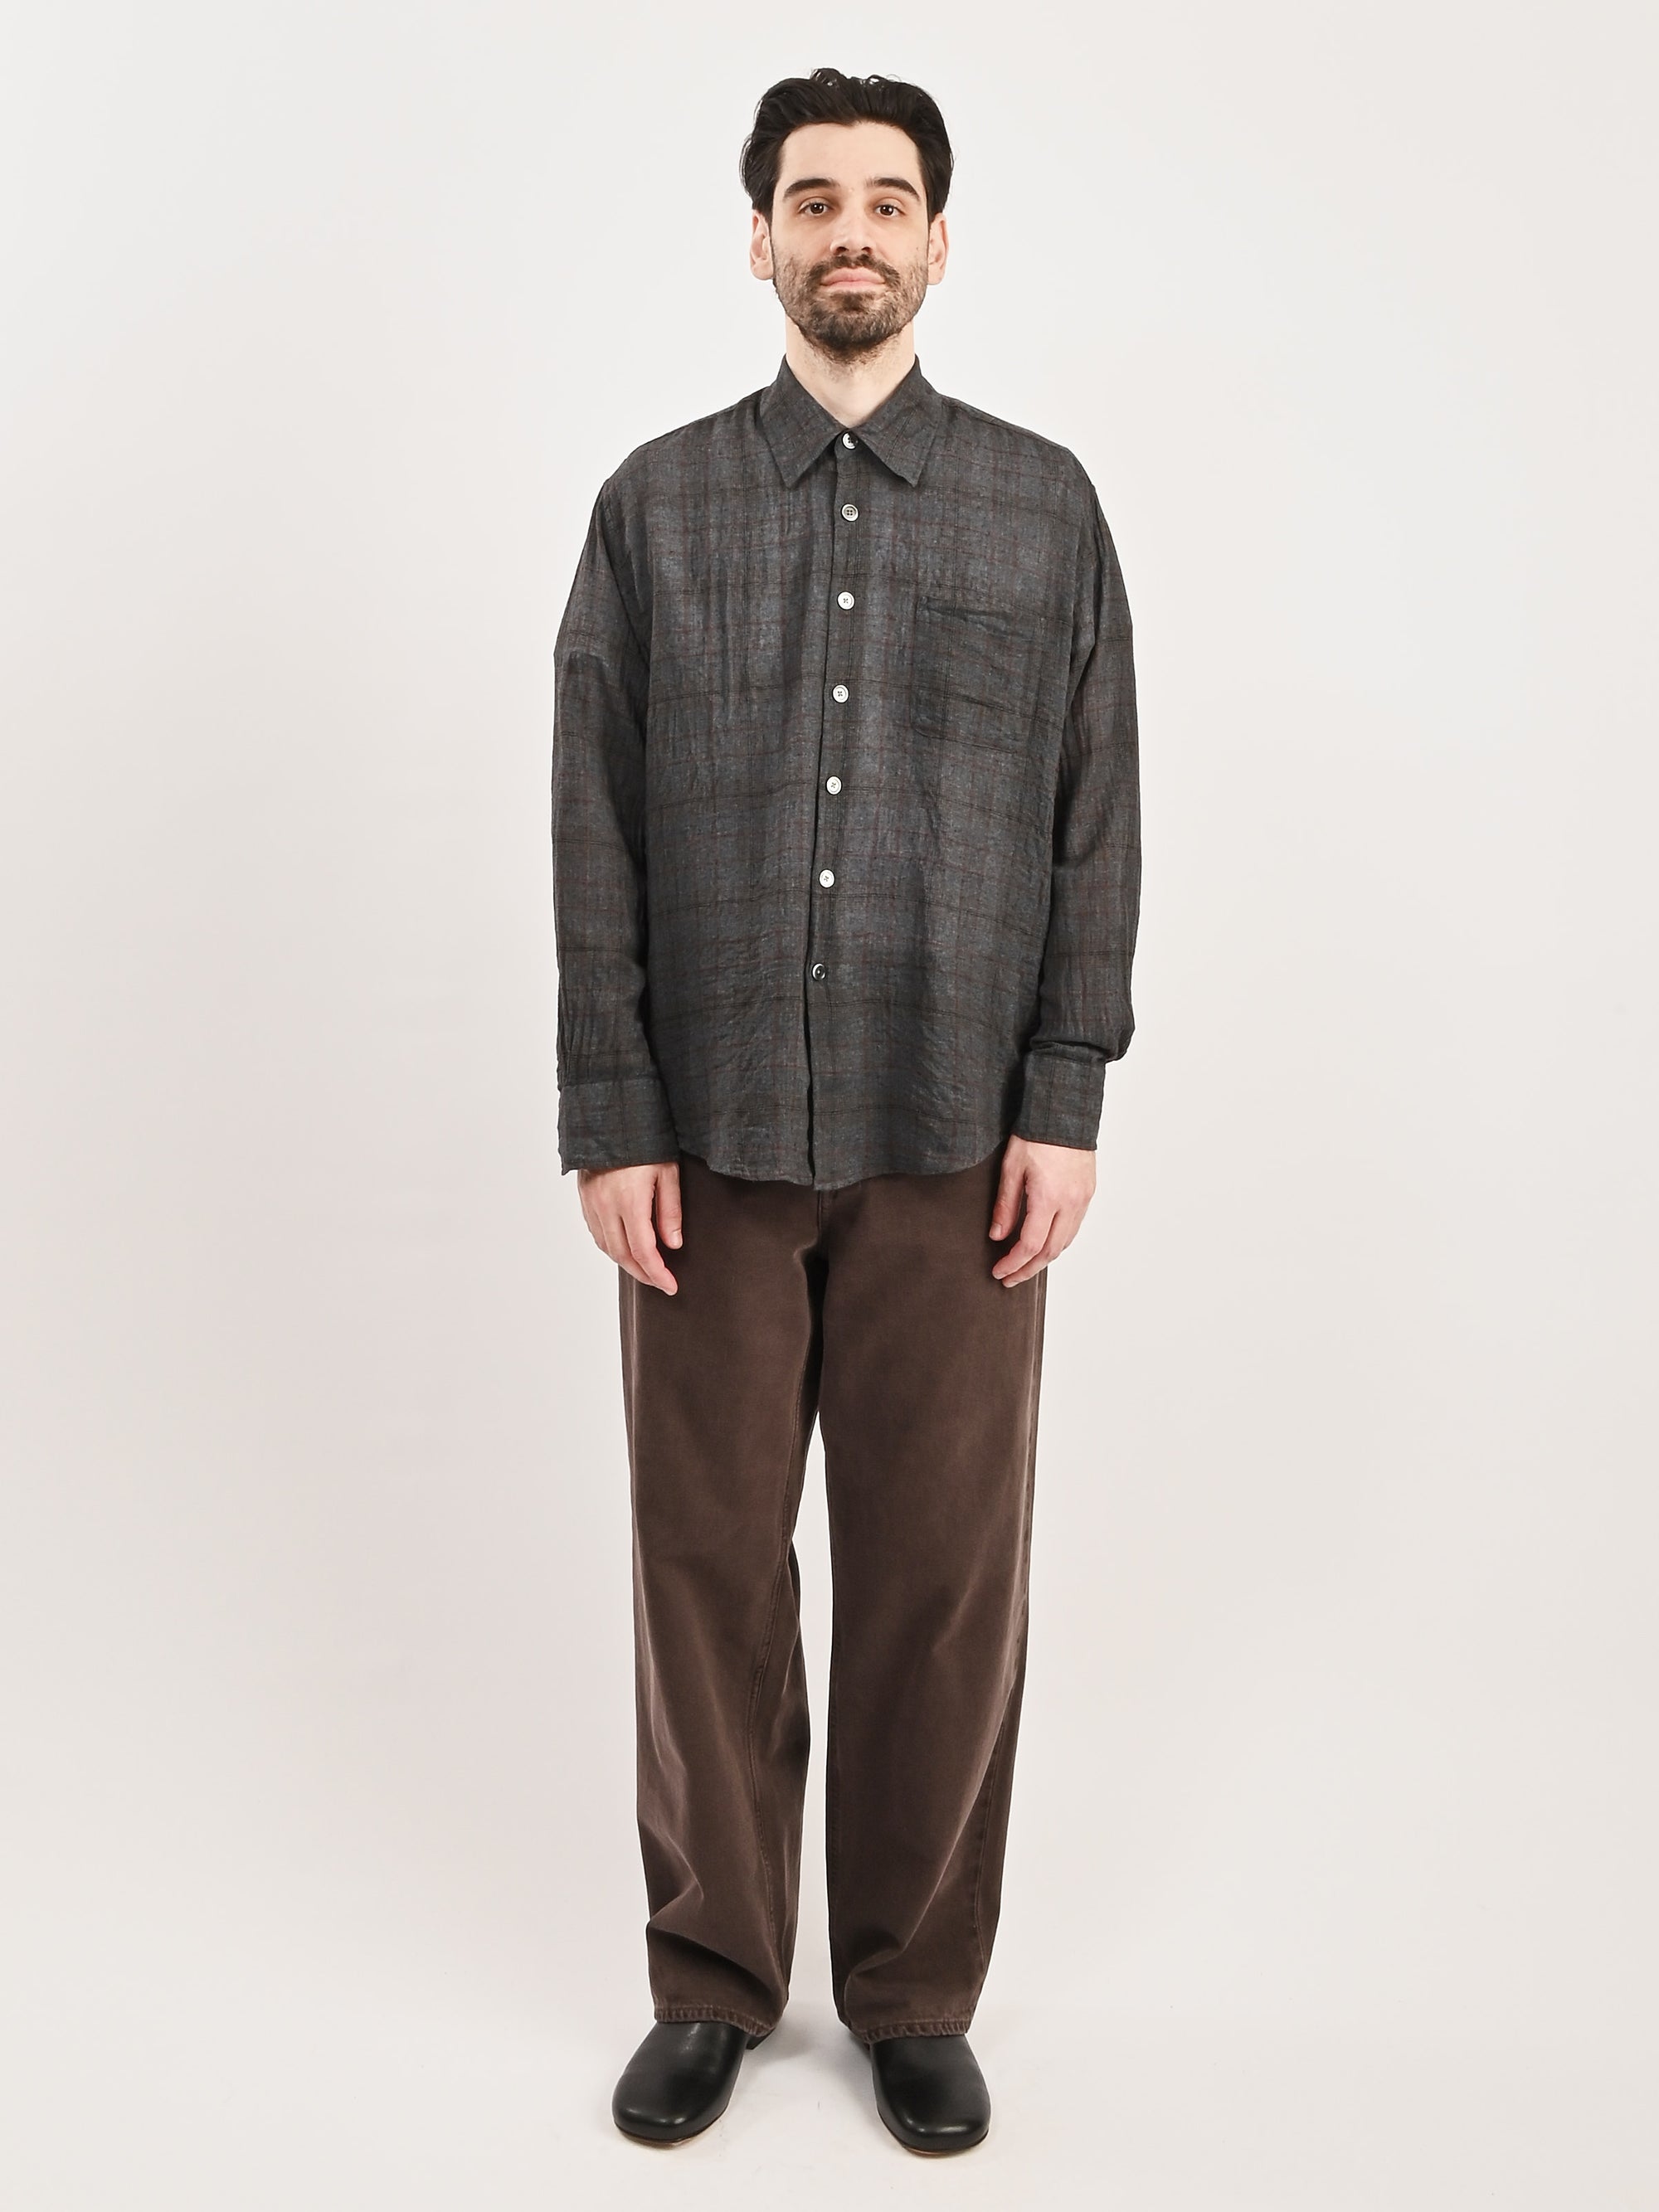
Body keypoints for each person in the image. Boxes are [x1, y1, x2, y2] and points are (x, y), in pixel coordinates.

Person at [549, 66, 1140, 2155]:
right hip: (702, 1137)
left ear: (939, 241)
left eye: (889, 200)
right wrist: (610, 1109)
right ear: (761, 239)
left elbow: (1094, 812)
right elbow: (593, 820)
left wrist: (1065, 1089)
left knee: (939, 1577)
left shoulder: (1042, 509)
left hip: (957, 1134)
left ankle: (909, 1988)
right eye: (815, 201)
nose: (853, 232)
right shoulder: (654, 509)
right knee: (704, 1563)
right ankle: (712, 1974)